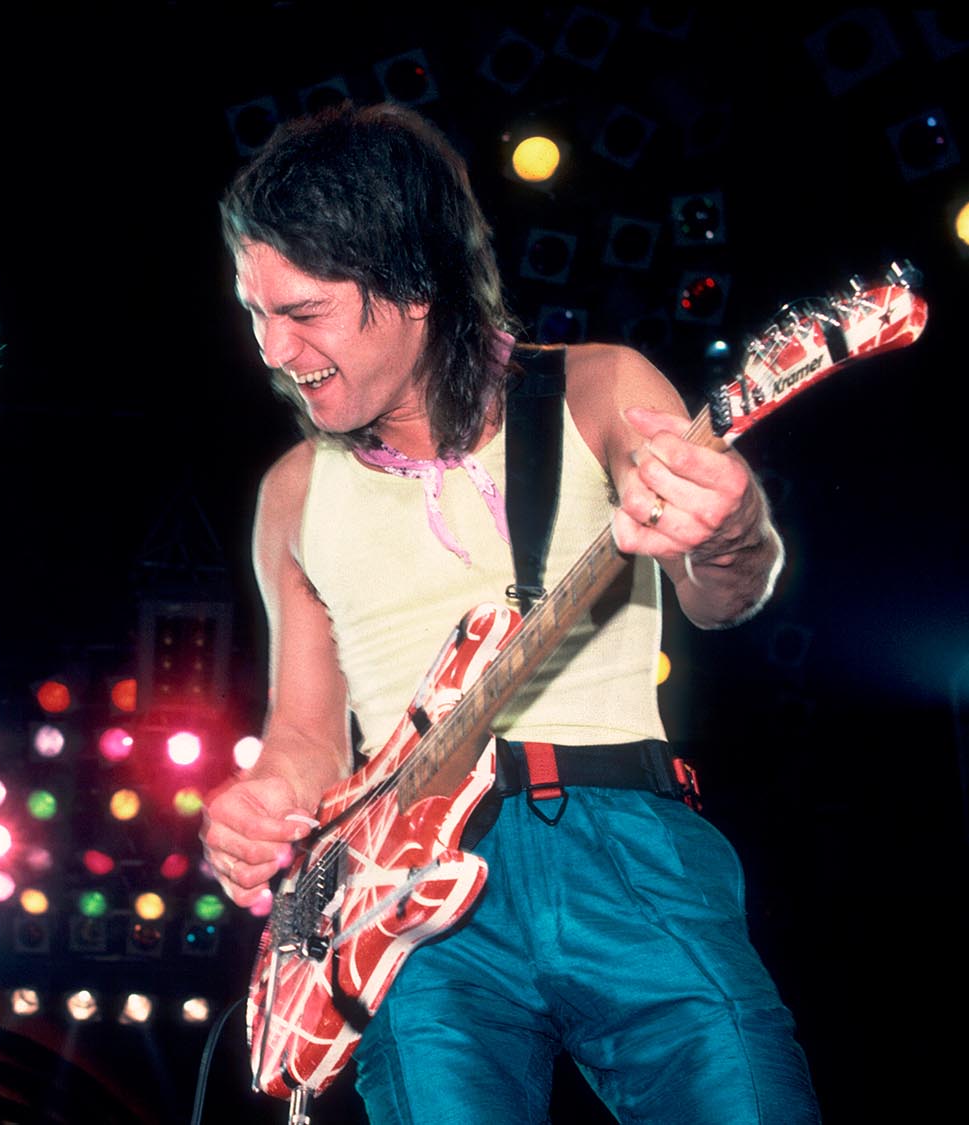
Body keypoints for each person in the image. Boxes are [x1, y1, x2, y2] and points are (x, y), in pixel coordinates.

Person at [200, 103, 820, 1123]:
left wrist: (731, 521)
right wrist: (259, 806)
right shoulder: (289, 495)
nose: (272, 349)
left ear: (412, 285)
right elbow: (306, 741)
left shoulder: (597, 387)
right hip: (409, 910)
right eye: (254, 311)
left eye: (302, 312)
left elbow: (723, 597)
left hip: (622, 842)